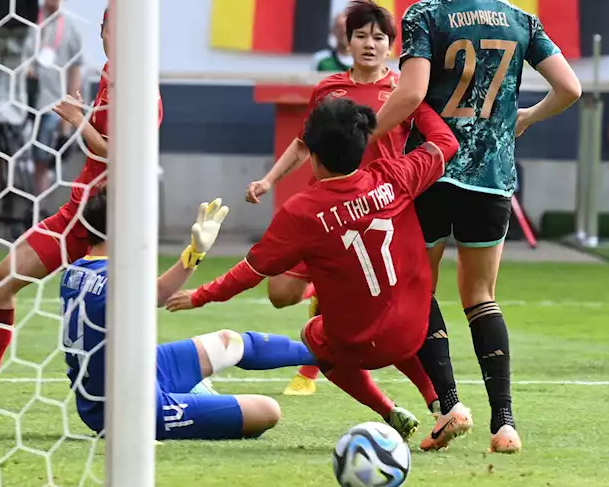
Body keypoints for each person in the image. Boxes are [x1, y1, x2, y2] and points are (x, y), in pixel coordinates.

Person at [370, 0, 583, 454]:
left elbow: (411, 90)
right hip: (492, 179)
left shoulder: (425, 15)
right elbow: (570, 88)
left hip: (433, 172)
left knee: (418, 289)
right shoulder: (519, 17)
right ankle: (504, 424)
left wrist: (366, 131)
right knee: (482, 297)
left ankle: (448, 405)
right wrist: (528, 116)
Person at [168, 97, 460, 439]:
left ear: (314, 156)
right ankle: (439, 402)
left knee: (313, 332)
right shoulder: (395, 176)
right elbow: (446, 142)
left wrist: (199, 296)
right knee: (387, 317)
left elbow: (249, 272)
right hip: (415, 332)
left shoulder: (302, 212)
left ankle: (386, 409)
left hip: (359, 345)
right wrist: (414, 101)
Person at [0, 9, 161, 409]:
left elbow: (124, 156)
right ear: (102, 33)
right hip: (79, 212)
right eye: (114, 30)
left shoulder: (142, 88)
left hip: (115, 221)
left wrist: (78, 120)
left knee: (127, 311)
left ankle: (177, 382)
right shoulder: (112, 76)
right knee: (1, 282)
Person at [245, 0, 439, 399]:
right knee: (281, 294)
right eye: (361, 36)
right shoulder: (330, 90)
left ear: (391, 46)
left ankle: (432, 396)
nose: (370, 44)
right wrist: (267, 180)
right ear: (347, 43)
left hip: (378, 213)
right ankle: (319, 292)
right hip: (331, 211)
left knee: (379, 308)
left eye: (379, 37)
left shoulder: (402, 92)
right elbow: (303, 144)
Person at [62, 192, 314, 440]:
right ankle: (193, 398)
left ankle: (323, 354)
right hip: (134, 409)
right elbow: (158, 294)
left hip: (130, 376)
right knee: (266, 410)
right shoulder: (118, 277)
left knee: (229, 342)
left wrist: (193, 252)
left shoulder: (75, 271)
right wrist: (194, 253)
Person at [30, 0, 84, 199]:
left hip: (50, 103)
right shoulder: (30, 20)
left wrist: (68, 122)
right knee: (3, 156)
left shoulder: (70, 30)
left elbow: (75, 74)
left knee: (42, 159)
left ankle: (38, 209)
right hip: (21, 100)